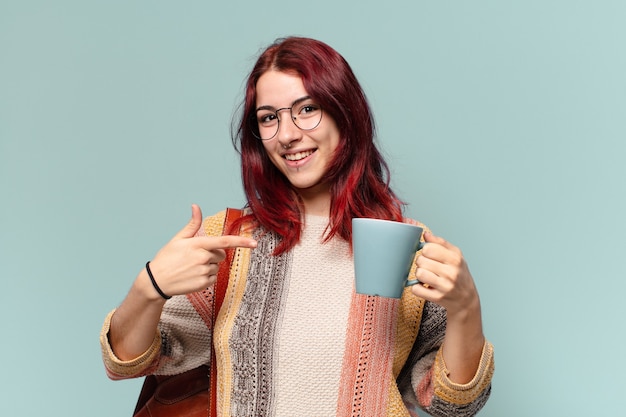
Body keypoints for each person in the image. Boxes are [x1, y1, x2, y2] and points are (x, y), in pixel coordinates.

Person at [100, 36, 494, 417]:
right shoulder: (231, 242)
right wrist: (149, 287)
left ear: (346, 113)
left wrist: (466, 309)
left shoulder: (407, 244)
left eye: (307, 109)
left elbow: (453, 406)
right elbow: (126, 363)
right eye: (269, 118)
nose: (287, 135)